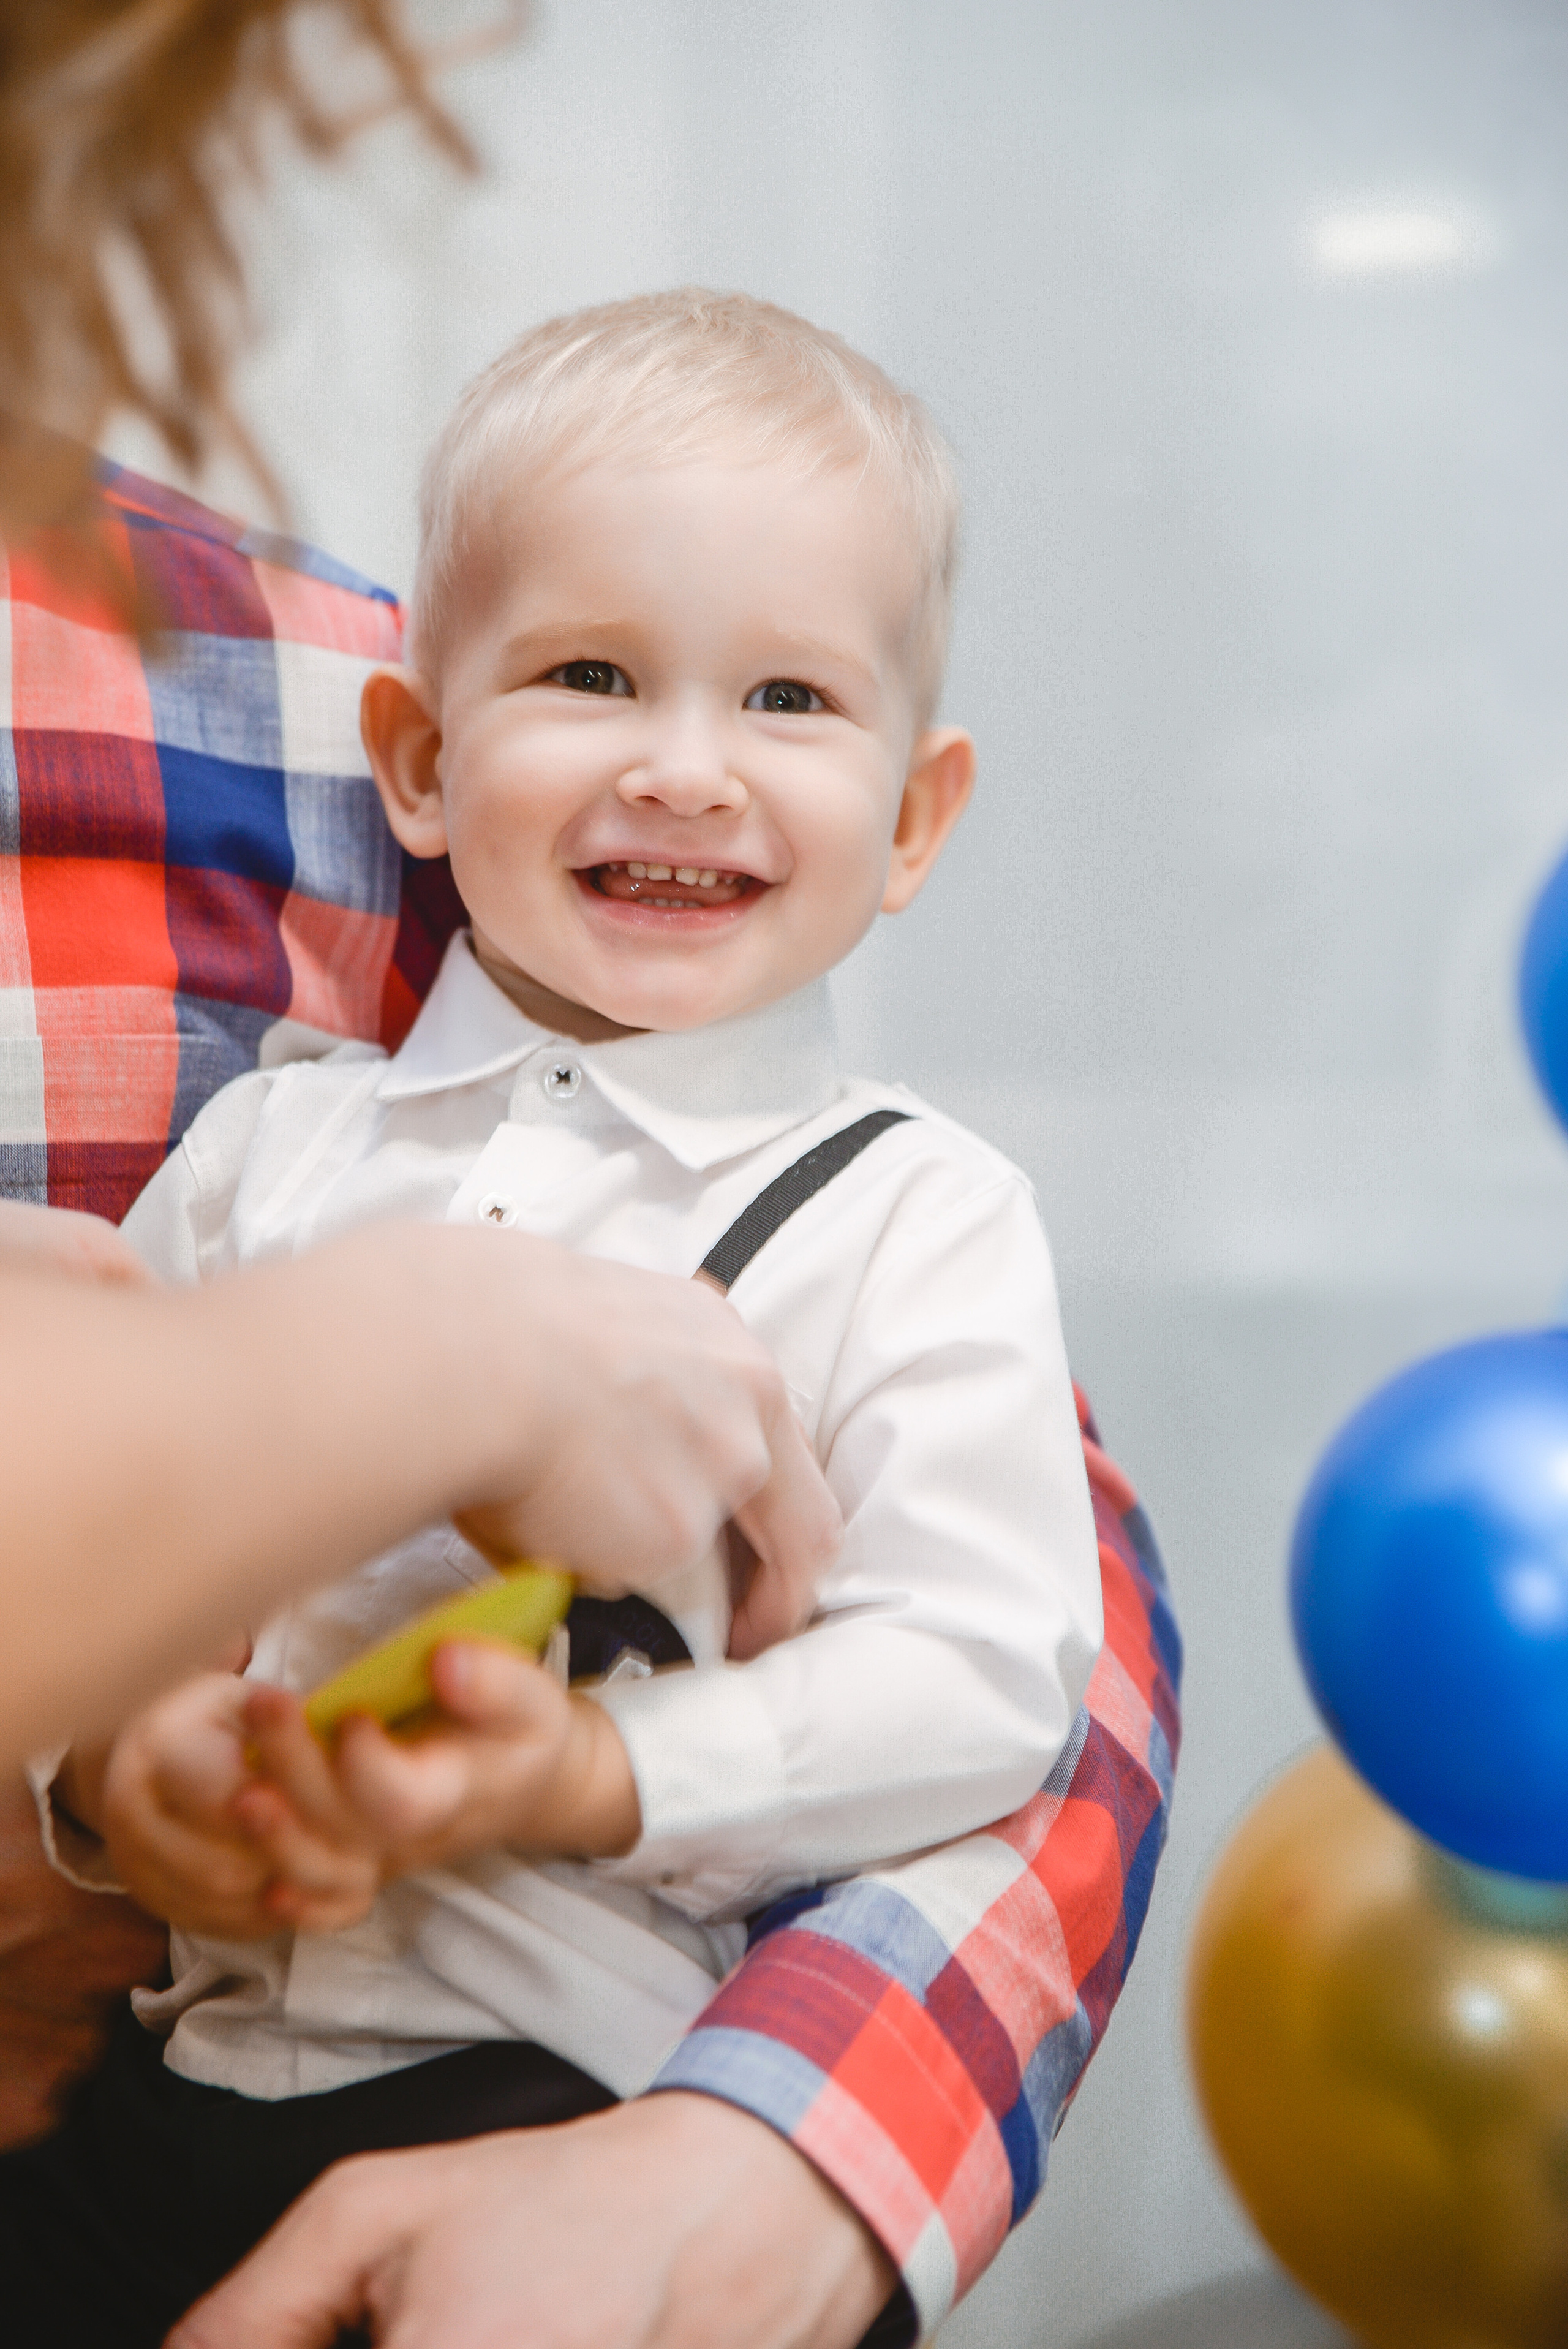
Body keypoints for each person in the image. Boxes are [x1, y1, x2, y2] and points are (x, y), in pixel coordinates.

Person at [10, 289, 1115, 2343]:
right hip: (163, 2084)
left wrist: (595, 1772)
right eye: (593, 675)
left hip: (574, 2124)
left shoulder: (924, 1213)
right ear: (423, 763)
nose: (685, 769)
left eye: (788, 698)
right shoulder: (260, 1152)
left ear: (913, 817)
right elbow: (101, 1538)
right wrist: (124, 1765)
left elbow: (984, 1677)